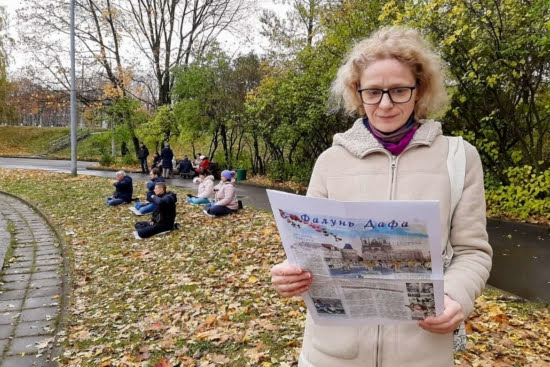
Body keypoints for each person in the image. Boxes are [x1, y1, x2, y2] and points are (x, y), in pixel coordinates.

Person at [270, 26, 492, 367]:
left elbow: (472, 251)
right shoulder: (330, 161)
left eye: (399, 90)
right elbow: (306, 248)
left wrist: (455, 296)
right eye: (373, 92)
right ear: (358, 94)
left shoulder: (459, 157)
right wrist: (291, 272)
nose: (385, 104)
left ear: (419, 91)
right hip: (334, 354)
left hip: (421, 351)